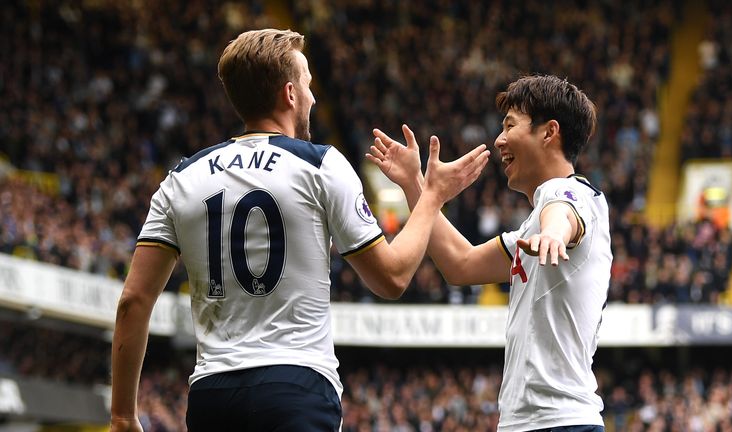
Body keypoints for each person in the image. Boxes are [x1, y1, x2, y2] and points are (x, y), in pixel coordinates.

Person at [109, 29, 489, 432]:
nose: (313, 97)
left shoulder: (181, 179)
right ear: (290, 94)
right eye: (308, 84)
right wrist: (430, 195)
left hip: (213, 395)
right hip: (297, 387)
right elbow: (392, 277)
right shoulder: (320, 165)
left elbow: (133, 302)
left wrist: (121, 416)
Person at [367, 74, 612, 431]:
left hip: (560, 423)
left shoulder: (571, 195)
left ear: (549, 132)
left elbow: (561, 214)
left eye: (510, 125)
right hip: (528, 424)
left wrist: (554, 235)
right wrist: (415, 185)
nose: (499, 140)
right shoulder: (531, 231)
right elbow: (460, 264)